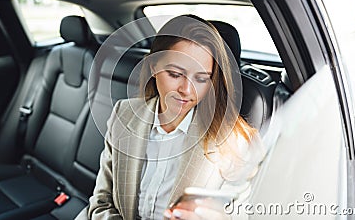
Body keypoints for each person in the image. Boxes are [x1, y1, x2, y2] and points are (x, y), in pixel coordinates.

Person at [78, 15, 264, 220]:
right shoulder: (124, 114)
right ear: (153, 67)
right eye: (175, 74)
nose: (186, 90)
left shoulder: (235, 143)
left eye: (201, 79)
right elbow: (101, 201)